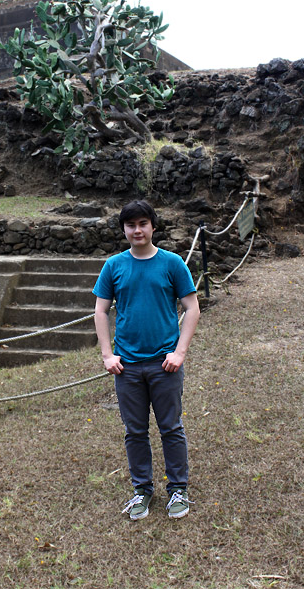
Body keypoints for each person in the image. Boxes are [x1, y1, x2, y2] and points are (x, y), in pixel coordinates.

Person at [93, 200, 200, 521]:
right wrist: (107, 355)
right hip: (126, 366)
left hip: (164, 364)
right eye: (130, 225)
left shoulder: (172, 263)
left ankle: (177, 489)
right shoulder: (113, 265)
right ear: (124, 229)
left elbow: (192, 308)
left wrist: (179, 352)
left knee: (171, 427)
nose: (137, 230)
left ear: (153, 226)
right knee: (135, 431)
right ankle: (142, 490)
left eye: (143, 223)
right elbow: (100, 311)